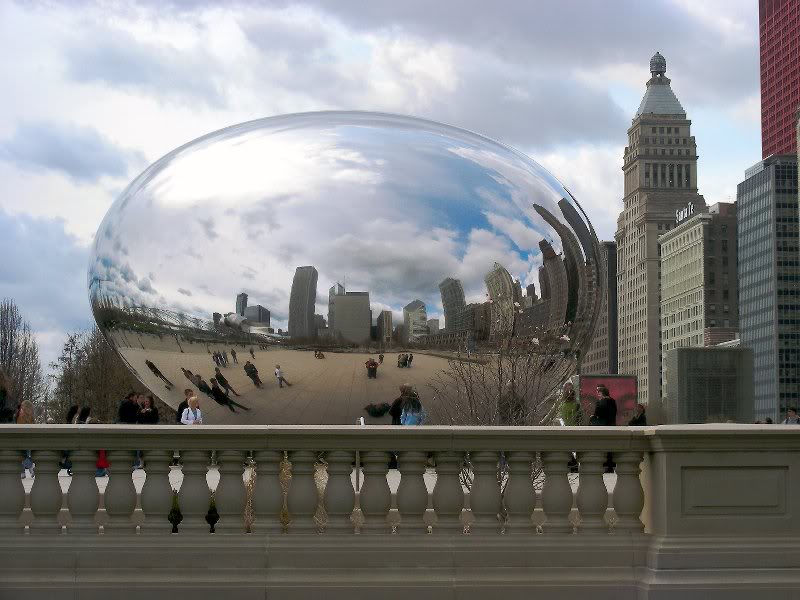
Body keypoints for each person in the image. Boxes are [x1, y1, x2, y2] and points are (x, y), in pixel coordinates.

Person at [591, 384, 618, 473]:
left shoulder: (600, 402)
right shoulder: (613, 401)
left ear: (601, 393)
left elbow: (597, 414)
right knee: (611, 446)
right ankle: (611, 465)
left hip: (602, 426)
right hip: (612, 426)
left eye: (598, 392)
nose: (597, 394)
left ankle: (605, 465)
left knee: (603, 446)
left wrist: (593, 417)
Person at [17, 400, 35, 478]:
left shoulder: (22, 417)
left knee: (23, 455)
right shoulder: (30, 417)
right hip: (28, 438)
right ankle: (23, 471)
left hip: (23, 438)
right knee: (25, 455)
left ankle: (29, 468)